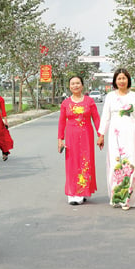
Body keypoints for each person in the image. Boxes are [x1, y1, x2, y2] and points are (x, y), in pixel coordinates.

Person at [97, 68, 135, 210]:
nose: (121, 81)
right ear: (115, 81)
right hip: (114, 134)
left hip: (131, 133)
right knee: (116, 164)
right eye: (119, 78)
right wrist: (101, 135)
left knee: (130, 164)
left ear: (128, 80)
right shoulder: (110, 97)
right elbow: (105, 117)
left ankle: (128, 198)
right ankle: (116, 196)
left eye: (124, 78)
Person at [57, 74, 100, 205]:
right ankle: (73, 192)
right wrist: (60, 139)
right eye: (72, 84)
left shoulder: (89, 101)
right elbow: (61, 122)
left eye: (77, 83)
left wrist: (100, 135)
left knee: (85, 162)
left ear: (82, 85)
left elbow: (96, 118)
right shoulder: (66, 103)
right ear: (69, 87)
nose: (75, 85)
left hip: (86, 136)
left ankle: (83, 191)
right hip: (71, 137)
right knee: (72, 163)